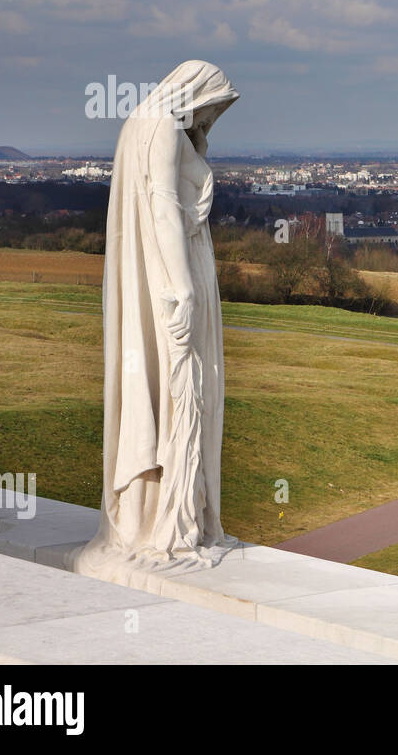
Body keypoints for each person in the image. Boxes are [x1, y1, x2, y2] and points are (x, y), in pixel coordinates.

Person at [71, 60, 239, 583]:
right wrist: (182, 289)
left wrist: (200, 145)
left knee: (162, 392)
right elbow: (164, 206)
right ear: (193, 93)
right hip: (177, 281)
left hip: (156, 283)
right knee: (183, 395)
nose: (210, 119)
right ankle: (173, 522)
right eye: (211, 108)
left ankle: (148, 517)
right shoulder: (164, 128)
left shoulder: (139, 123)